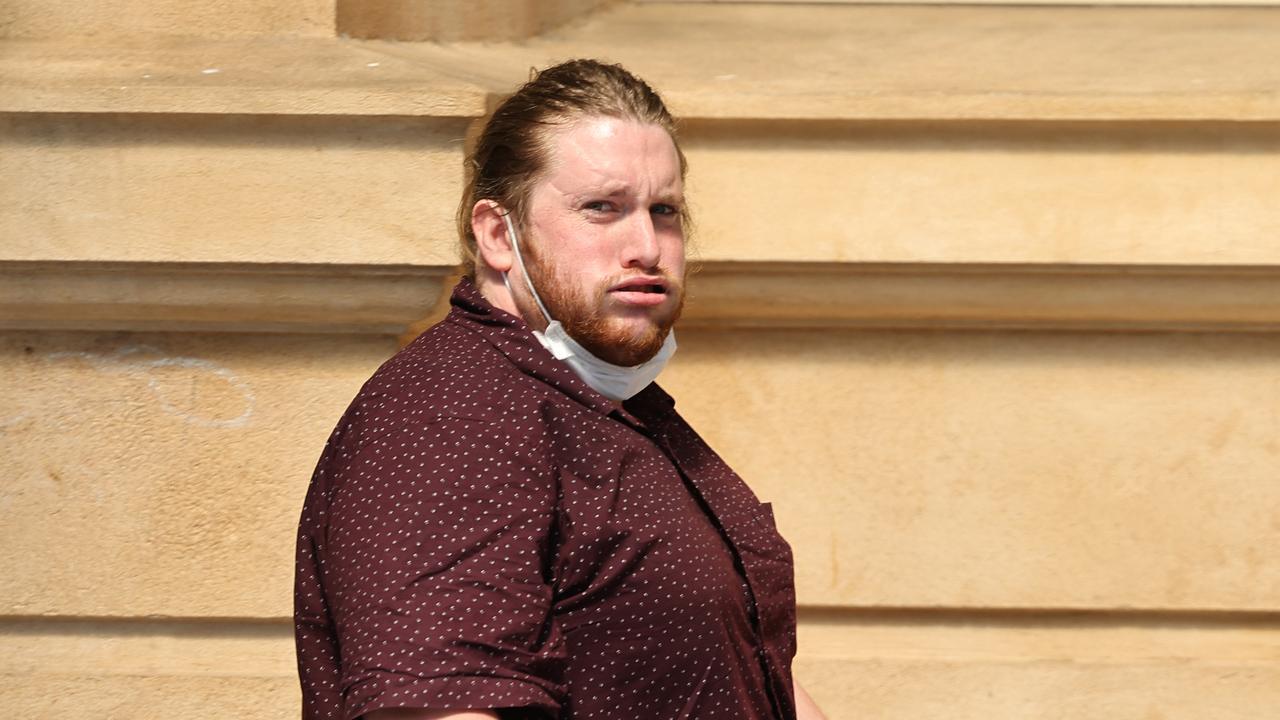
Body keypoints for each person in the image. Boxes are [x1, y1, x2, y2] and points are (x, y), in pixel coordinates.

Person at [294, 59, 827, 720]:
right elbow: (440, 705)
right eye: (602, 208)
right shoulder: (453, 418)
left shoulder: (605, 402)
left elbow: (748, 676)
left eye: (664, 212)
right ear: (497, 235)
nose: (646, 246)